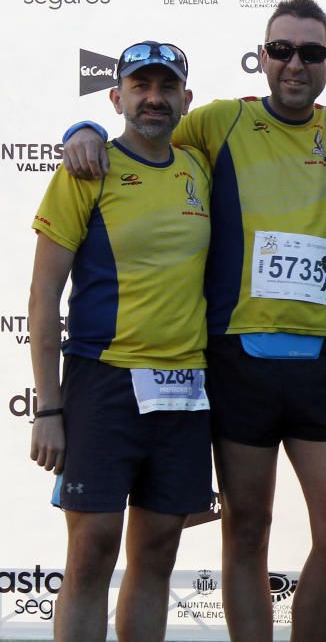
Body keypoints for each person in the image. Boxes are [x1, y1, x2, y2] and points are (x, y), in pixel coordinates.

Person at [59, 0, 326, 641]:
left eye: (310, 53)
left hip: (321, 360)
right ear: (262, 56)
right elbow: (144, 132)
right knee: (247, 528)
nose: (294, 63)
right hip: (236, 360)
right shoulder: (218, 121)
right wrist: (82, 130)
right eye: (281, 50)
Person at [29, 41, 211, 642]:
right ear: (117, 97)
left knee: (157, 551)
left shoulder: (199, 168)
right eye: (141, 87)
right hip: (102, 382)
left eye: (167, 88)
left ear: (186, 98)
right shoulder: (87, 168)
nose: (154, 99)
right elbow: (42, 295)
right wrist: (48, 408)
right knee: (92, 551)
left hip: (184, 390)